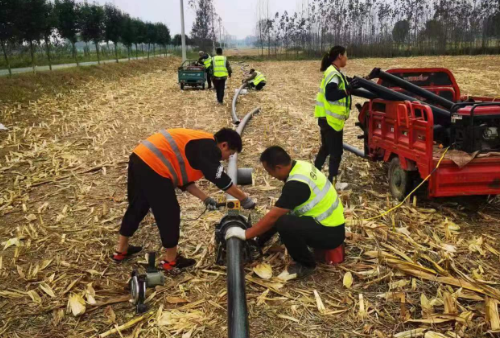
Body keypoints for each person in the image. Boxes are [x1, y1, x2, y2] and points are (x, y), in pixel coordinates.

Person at [114, 127, 256, 271]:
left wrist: (206, 198)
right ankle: (171, 260)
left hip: (140, 157)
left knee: (138, 205)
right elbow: (222, 181)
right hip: (155, 165)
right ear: (223, 145)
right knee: (169, 212)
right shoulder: (209, 148)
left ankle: (121, 249)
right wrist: (245, 199)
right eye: (229, 153)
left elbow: (185, 181)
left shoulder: (198, 146)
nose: (227, 158)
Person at [225, 146, 345, 280]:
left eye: (269, 171)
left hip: (331, 233)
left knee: (284, 223)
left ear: (278, 167)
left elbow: (274, 217)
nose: (271, 176)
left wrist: (245, 234)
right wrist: (258, 240)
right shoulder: (301, 166)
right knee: (282, 218)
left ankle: (305, 265)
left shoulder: (296, 185)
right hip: (330, 223)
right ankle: (258, 243)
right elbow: (276, 214)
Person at [313, 45, 354, 184]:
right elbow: (331, 94)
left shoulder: (334, 72)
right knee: (336, 152)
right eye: (346, 55)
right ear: (340, 56)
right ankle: (332, 181)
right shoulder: (334, 74)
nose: (347, 58)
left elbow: (347, 82)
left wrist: (367, 78)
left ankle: (313, 174)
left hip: (324, 117)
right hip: (331, 120)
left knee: (326, 148)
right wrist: (346, 91)